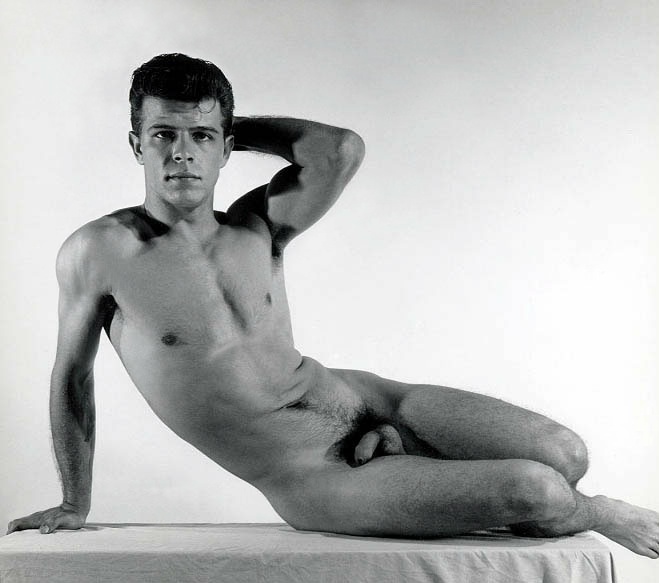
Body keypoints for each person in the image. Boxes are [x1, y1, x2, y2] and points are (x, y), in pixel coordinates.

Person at [6, 53, 659, 559]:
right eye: (162, 135)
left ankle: (443, 471)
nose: (181, 152)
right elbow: (72, 377)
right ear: (135, 144)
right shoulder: (100, 251)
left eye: (201, 136)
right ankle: (599, 511)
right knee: (537, 488)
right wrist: (74, 500)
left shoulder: (256, 225)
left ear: (226, 146)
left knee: (564, 452)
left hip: (370, 400)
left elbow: (340, 149)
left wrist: (226, 126)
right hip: (311, 474)